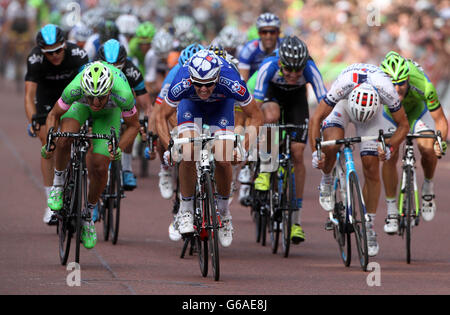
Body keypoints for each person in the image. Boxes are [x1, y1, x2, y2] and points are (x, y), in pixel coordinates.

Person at [156, 49, 264, 247]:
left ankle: (223, 212)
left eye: (208, 84)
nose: (203, 89)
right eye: (198, 84)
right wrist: (169, 146)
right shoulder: (182, 80)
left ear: (218, 77)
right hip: (191, 108)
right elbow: (161, 116)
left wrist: (243, 146)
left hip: (221, 110)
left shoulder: (231, 80)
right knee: (188, 152)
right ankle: (186, 209)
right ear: (191, 78)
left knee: (224, 158)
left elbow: (256, 116)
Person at [309, 63, 410, 257]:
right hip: (344, 104)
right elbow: (316, 119)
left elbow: (403, 126)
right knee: (331, 143)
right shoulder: (342, 86)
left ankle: (369, 226)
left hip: (373, 114)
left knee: (372, 168)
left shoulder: (387, 91)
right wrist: (316, 152)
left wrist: (389, 147)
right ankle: (327, 179)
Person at [42, 61, 140, 249]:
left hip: (109, 114)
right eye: (91, 97)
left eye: (101, 98)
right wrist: (50, 141)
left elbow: (134, 125)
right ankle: (59, 183)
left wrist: (118, 147)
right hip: (79, 108)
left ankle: (88, 214)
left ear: (109, 91)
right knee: (64, 139)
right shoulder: (75, 88)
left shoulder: (124, 94)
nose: (95, 103)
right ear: (83, 90)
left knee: (100, 166)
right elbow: (53, 115)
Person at [252, 36, 328, 244]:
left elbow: (325, 103)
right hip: (272, 95)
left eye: (298, 70)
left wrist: (327, 127)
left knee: (297, 153)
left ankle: (295, 221)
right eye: (288, 70)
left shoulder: (310, 68)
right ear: (280, 63)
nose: (294, 75)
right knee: (271, 116)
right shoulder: (268, 66)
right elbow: (255, 107)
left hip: (296, 100)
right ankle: (266, 170)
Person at [24, 24, 88, 225]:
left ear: (65, 46)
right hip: (46, 98)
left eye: (59, 50)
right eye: (49, 53)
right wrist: (33, 120)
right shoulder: (34, 59)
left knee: (68, 136)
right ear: (42, 52)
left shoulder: (78, 54)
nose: (55, 56)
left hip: (71, 97)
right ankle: (51, 201)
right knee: (48, 144)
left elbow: (89, 86)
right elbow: (29, 96)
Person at [380, 51, 448, 232]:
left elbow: (440, 119)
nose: (396, 89)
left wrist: (440, 142)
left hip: (417, 112)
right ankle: (392, 210)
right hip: (391, 115)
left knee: (427, 147)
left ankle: (427, 186)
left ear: (408, 79)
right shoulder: (377, 85)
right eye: (392, 84)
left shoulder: (424, 85)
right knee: (389, 154)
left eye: (401, 83)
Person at [97, 39, 152, 192]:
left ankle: (126, 169)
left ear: (124, 62)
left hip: (123, 105)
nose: (113, 70)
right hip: (100, 105)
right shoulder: (93, 67)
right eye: (109, 65)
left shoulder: (131, 70)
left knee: (131, 125)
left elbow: (145, 102)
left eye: (117, 66)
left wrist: (148, 121)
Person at [238, 12, 282, 82]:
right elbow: (243, 81)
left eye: (272, 32)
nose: (268, 36)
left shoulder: (284, 47)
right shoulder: (249, 49)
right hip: (254, 87)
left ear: (278, 33)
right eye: (264, 32)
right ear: (259, 33)